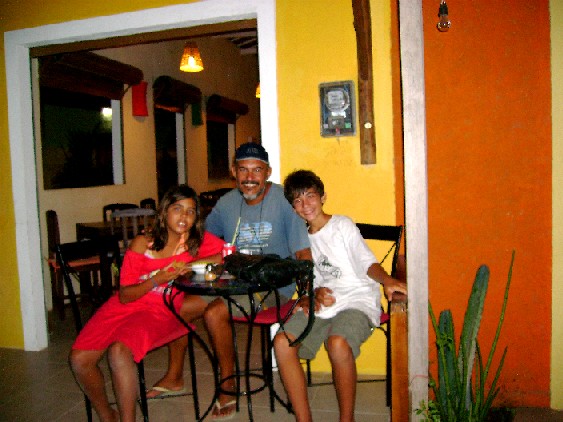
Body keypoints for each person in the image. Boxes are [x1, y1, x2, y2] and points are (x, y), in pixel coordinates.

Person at [147, 142, 312, 420]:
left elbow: (303, 253)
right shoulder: (226, 203)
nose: (250, 177)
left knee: (215, 313)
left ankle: (228, 384)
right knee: (178, 307)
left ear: (268, 172)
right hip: (231, 281)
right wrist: (161, 242)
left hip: (272, 287)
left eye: (257, 170)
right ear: (234, 172)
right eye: (243, 170)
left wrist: (307, 292)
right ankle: (174, 376)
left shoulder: (284, 200)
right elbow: (200, 240)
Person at [69, 185, 224, 422]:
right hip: (125, 304)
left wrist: (189, 266)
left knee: (119, 351)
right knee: (79, 360)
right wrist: (156, 279)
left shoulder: (195, 241)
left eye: (191, 211)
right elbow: (125, 295)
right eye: (177, 209)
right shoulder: (143, 243)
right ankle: (107, 415)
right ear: (164, 212)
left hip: (162, 309)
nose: (184, 216)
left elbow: (226, 254)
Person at [274, 170, 407, 422]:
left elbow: (367, 263)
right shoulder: (301, 239)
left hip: (358, 299)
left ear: (323, 197)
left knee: (337, 342)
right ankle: (304, 419)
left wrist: (387, 280)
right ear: (293, 208)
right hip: (324, 304)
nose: (305, 205)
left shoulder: (342, 225)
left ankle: (347, 419)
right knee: (282, 342)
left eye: (310, 196)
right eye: (298, 201)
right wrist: (314, 293)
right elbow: (309, 278)